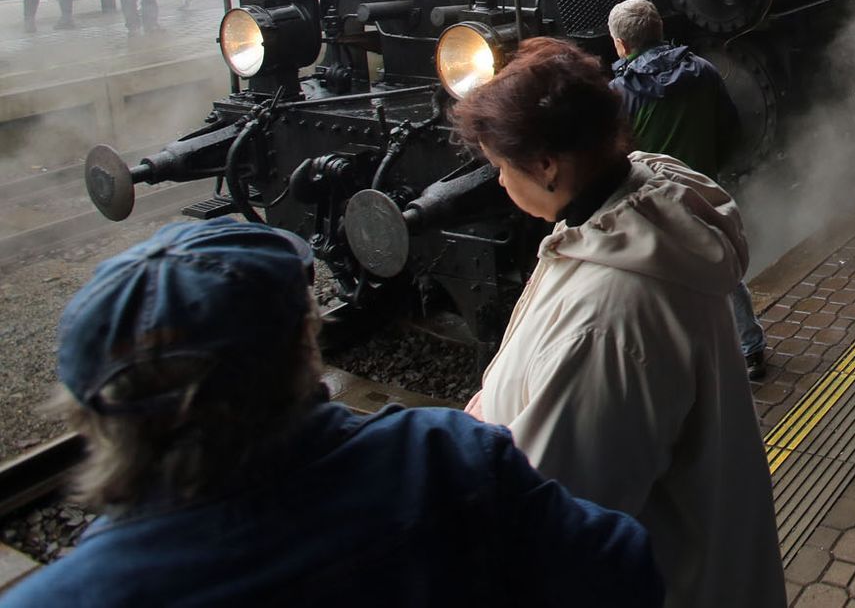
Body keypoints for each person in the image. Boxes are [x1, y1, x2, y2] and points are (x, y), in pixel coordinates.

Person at [11, 219, 658, 608]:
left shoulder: (61, 598)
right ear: (305, 343)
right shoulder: (441, 458)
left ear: (88, 411)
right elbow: (626, 570)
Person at [456, 39, 784, 608]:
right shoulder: (640, 205)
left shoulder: (606, 323)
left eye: (501, 168)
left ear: (546, 164)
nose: (501, 184)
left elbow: (552, 512)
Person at [607, 0, 770, 381]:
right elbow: (730, 126)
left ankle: (680, 360)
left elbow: (614, 154)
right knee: (723, 266)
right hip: (703, 184)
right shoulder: (703, 70)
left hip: (649, 198)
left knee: (656, 278)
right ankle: (750, 349)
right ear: (660, 30)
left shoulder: (620, 91)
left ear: (621, 45)